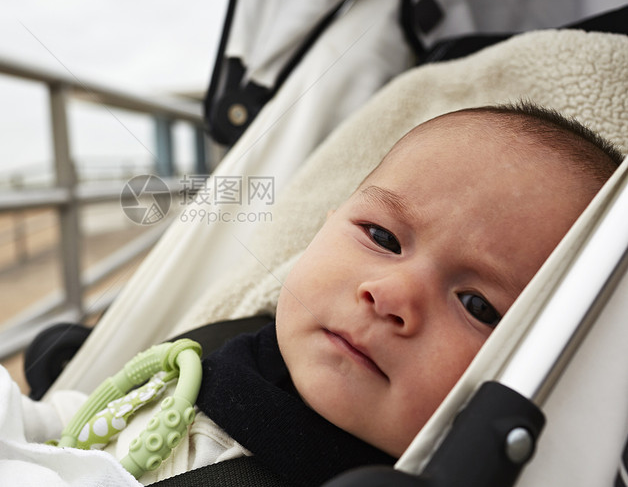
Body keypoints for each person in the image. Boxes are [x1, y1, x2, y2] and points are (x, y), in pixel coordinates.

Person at [62, 102, 624, 486]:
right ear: (323, 227)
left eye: (478, 305)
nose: (390, 295)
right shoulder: (237, 342)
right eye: (382, 237)